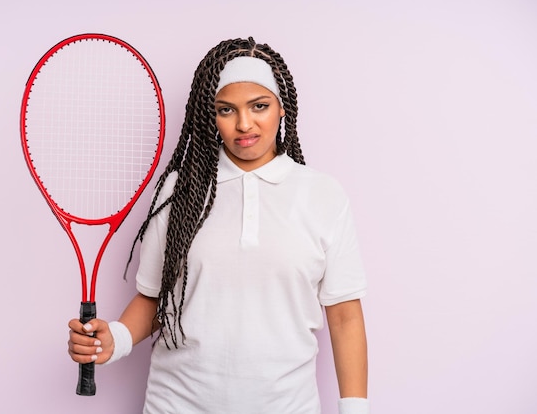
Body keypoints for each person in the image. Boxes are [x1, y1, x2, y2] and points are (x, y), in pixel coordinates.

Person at [68, 37, 370, 414]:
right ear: (209, 115)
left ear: (282, 108)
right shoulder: (182, 191)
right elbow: (153, 298)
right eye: (226, 110)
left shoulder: (323, 195)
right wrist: (116, 339)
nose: (244, 124)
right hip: (176, 405)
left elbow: (344, 317)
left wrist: (355, 410)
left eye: (259, 106)